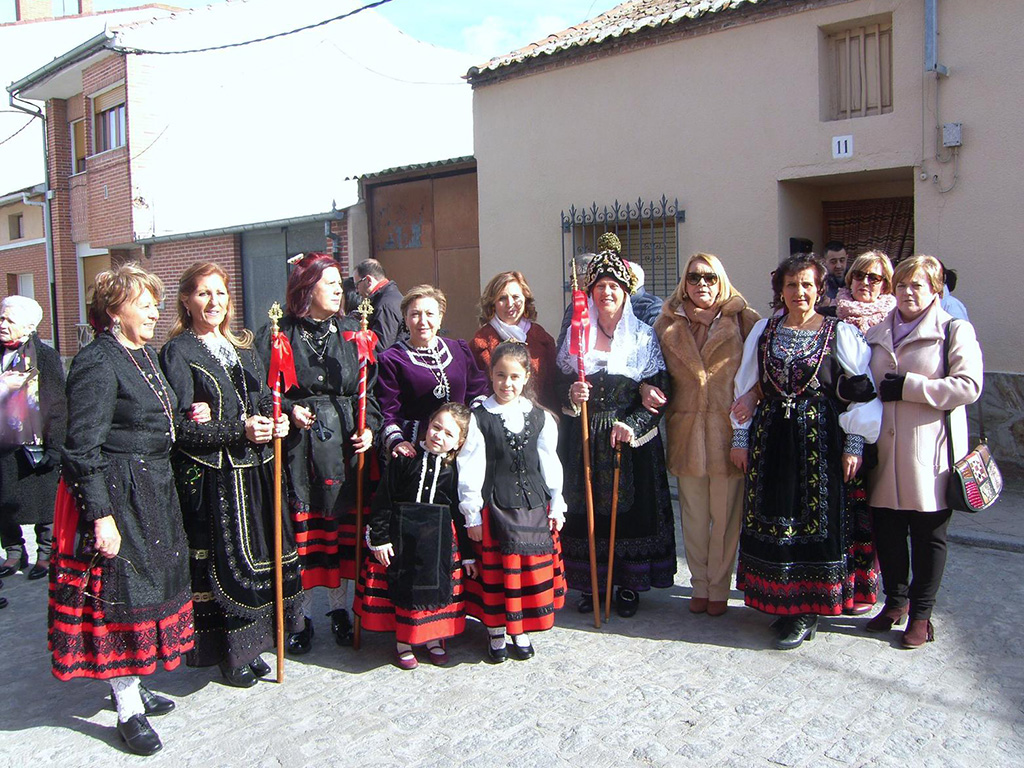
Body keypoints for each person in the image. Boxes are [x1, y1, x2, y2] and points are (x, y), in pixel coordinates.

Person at [50, 264, 195, 755]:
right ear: (115, 310)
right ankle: (127, 706)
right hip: (120, 493)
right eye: (145, 303)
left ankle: (133, 683)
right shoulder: (97, 360)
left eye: (156, 302)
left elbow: (157, 413)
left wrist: (186, 416)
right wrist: (101, 515)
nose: (156, 311)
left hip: (155, 489)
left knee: (149, 592)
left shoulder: (144, 355)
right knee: (122, 599)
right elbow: (80, 448)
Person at [160, 262, 302, 687]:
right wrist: (236, 428)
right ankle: (231, 655)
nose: (214, 302)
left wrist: (277, 421)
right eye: (203, 293)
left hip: (257, 470)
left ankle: (257, 644)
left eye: (220, 293)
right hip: (216, 477)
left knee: (263, 559)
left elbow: (260, 398)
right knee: (227, 565)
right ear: (186, 300)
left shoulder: (242, 344)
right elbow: (181, 427)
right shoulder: (179, 350)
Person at [730, 253, 881, 650]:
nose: (800, 292)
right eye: (792, 285)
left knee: (816, 519)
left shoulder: (839, 332)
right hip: (772, 437)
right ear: (780, 289)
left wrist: (854, 443)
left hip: (821, 440)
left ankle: (807, 609)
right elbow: (746, 385)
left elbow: (862, 393)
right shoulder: (764, 330)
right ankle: (780, 600)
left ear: (821, 288)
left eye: (808, 285)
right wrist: (740, 437)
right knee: (775, 516)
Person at [255, 253, 380, 655]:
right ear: (306, 288)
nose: (339, 291)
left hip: (345, 443)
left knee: (341, 530)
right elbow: (264, 391)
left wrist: (368, 427)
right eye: (329, 284)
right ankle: (302, 616)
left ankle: (339, 610)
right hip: (299, 451)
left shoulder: (354, 330)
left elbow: (370, 392)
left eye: (339, 284)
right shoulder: (279, 333)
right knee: (308, 533)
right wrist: (290, 410)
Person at [864, 255, 983, 648]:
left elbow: (968, 386)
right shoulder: (878, 331)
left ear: (935, 289)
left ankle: (921, 614)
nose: (907, 292)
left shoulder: (953, 329)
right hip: (884, 452)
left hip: (931, 454)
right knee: (889, 532)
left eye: (917, 285)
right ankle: (894, 602)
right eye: (901, 285)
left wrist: (913, 387)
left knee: (929, 536)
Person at [557, 246, 676, 617]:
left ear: (627, 292)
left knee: (631, 513)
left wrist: (634, 424)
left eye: (614, 286)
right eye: (600, 286)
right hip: (585, 440)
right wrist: (571, 394)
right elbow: (558, 384)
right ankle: (592, 582)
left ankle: (627, 585)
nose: (606, 292)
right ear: (589, 292)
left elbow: (658, 393)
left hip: (628, 439)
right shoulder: (577, 336)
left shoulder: (642, 337)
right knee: (584, 509)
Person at [654, 254, 760, 617]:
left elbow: (765, 370)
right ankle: (700, 584)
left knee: (727, 516)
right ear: (684, 282)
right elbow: (653, 372)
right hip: (686, 434)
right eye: (695, 277)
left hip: (730, 434)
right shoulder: (665, 324)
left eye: (710, 277)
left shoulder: (745, 320)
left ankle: (719, 587)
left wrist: (752, 395)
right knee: (694, 517)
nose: (702, 284)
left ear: (721, 280)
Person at [458, 342, 566, 662]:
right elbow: (470, 467)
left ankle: (519, 629)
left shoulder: (540, 418)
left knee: (525, 574)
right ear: (491, 375)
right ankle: (495, 632)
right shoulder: (479, 417)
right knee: (499, 576)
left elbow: (549, 462)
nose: (507, 383)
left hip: (534, 509)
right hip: (496, 510)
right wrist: (472, 514)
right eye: (501, 375)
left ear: (527, 377)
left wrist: (557, 501)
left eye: (515, 376)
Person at [354, 403, 471, 669]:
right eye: (436, 427)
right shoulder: (405, 459)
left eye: (448, 434)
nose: (439, 435)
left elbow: (457, 510)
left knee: (435, 588)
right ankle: (404, 642)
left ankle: (433, 639)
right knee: (406, 588)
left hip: (437, 540)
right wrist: (380, 538)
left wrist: (468, 556)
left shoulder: (453, 471)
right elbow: (383, 501)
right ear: (427, 426)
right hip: (403, 536)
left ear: (458, 442)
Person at [832, 250, 898, 614]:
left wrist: (857, 434)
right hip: (834, 429)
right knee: (842, 509)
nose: (865, 283)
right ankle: (839, 585)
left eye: (874, 278)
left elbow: (873, 385)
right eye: (859, 275)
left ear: (886, 284)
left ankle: (867, 589)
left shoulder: (893, 324)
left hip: (882, 432)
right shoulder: (830, 316)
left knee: (874, 512)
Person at [375, 285, 489, 458]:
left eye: (429, 314)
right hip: (416, 449)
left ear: (440, 318)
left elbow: (478, 390)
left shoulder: (459, 349)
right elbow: (388, 411)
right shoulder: (391, 359)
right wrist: (397, 441)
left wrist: (471, 425)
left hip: (462, 448)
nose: (423, 321)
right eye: (415, 314)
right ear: (405, 319)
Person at [0, 296, 66, 584]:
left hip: (35, 446)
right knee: (4, 501)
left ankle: (45, 554)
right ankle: (14, 552)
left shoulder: (46, 357)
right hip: (3, 445)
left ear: (28, 326)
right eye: (1, 317)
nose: (2, 324)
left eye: (8, 320)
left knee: (43, 503)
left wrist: (56, 445)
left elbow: (57, 404)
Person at [469, 271, 559, 412]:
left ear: (525, 299)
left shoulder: (542, 339)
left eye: (516, 297)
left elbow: (553, 387)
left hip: (537, 420)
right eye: (502, 298)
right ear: (493, 304)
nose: (510, 304)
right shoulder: (480, 343)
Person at [355, 258, 404, 352]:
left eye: (357, 285)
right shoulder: (390, 297)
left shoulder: (385, 305)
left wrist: (356, 331)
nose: (357, 291)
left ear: (368, 280)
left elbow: (381, 347)